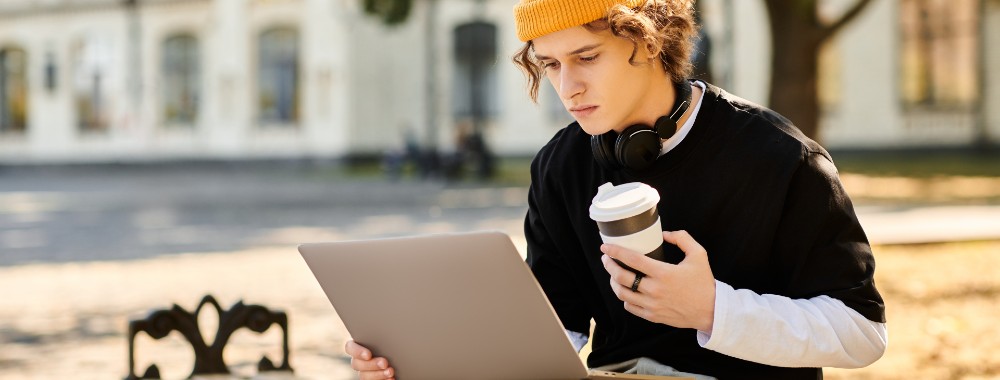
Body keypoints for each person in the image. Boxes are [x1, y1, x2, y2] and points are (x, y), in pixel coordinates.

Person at [345, 0, 887, 378]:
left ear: (649, 40)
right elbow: (557, 334)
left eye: (586, 57)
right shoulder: (560, 165)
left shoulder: (779, 158)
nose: (568, 86)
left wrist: (711, 308)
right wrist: (422, 361)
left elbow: (862, 333)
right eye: (550, 65)